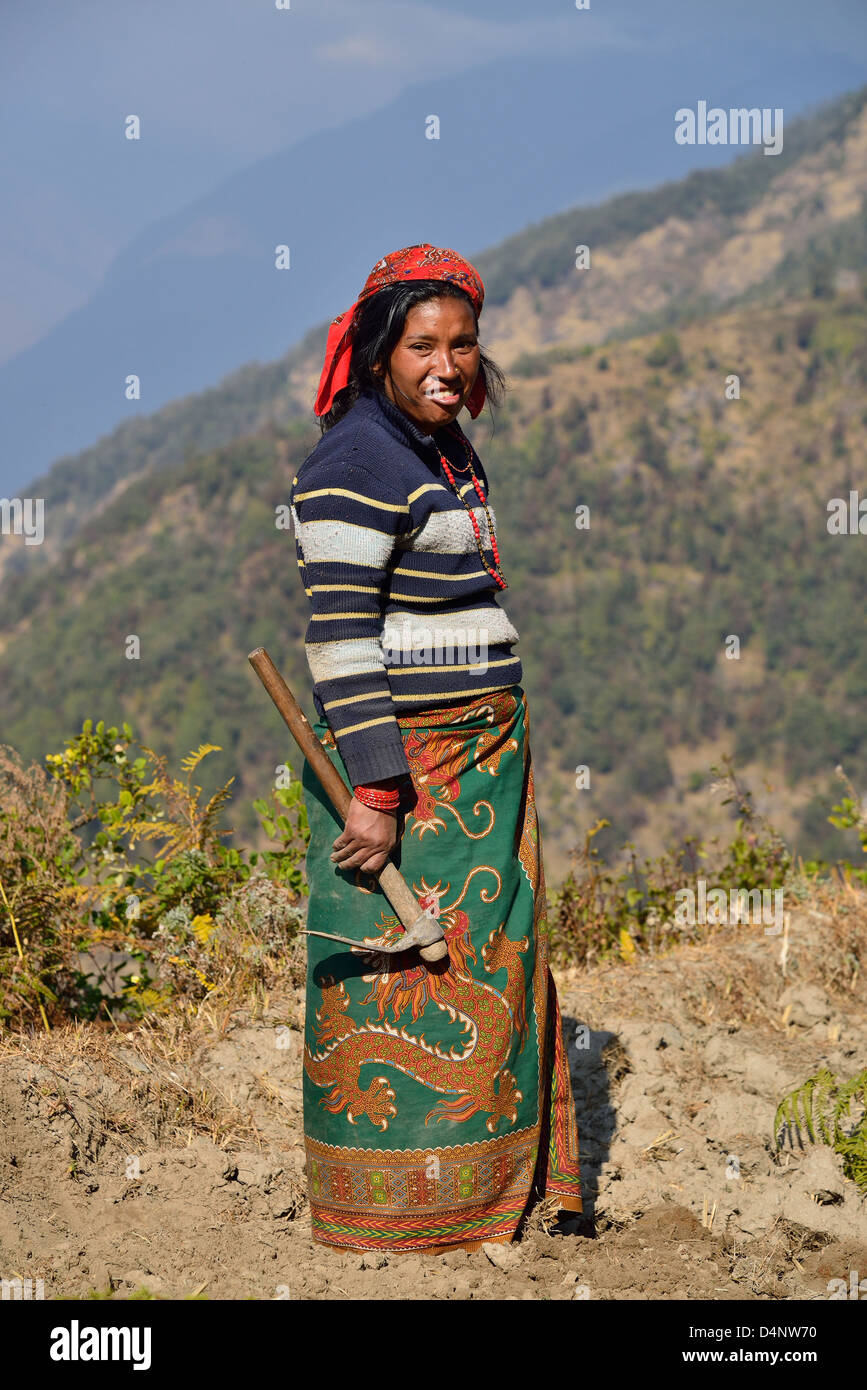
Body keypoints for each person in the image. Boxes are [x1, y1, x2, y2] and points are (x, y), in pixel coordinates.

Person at [289, 242, 582, 1255]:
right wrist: (376, 786)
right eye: (422, 345)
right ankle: (398, 1219)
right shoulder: (353, 465)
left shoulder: (441, 447)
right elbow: (337, 639)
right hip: (411, 770)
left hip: (482, 762)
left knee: (489, 964)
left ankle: (493, 1196)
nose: (446, 365)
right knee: (406, 972)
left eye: (462, 344)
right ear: (379, 351)